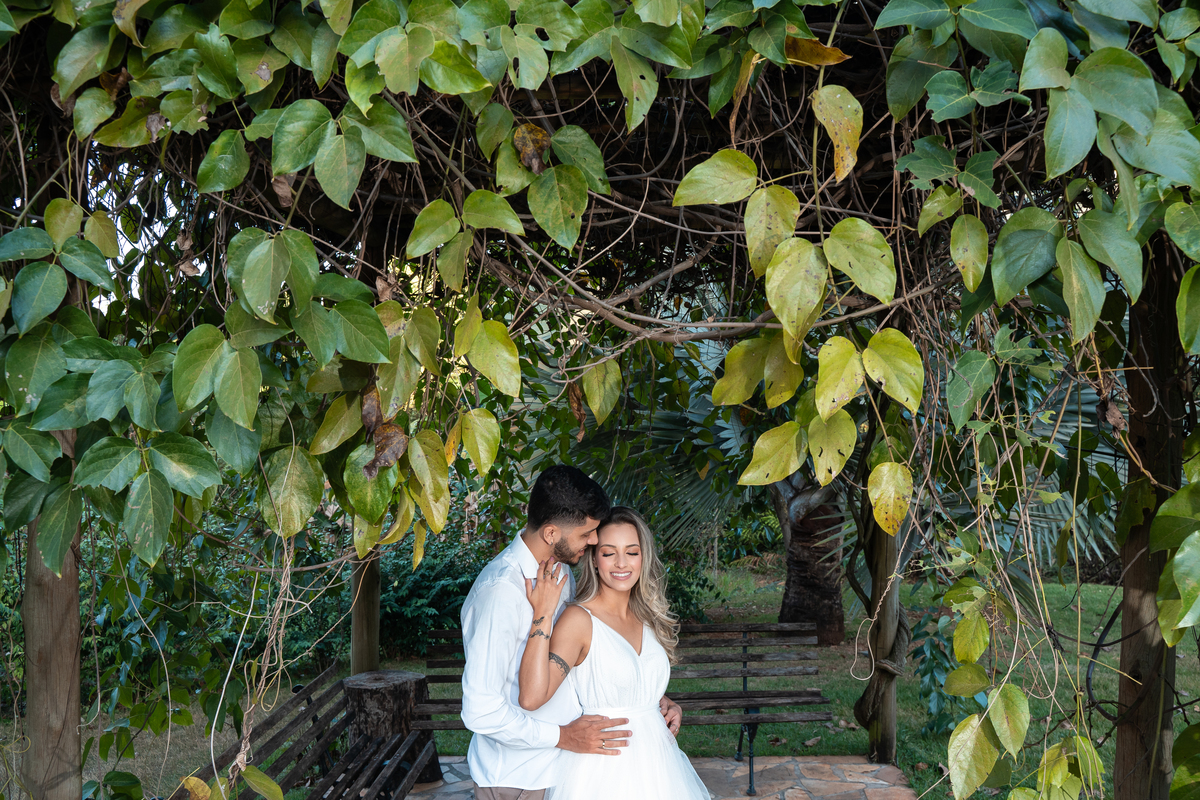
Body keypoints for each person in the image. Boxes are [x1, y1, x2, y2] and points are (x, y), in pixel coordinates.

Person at [460, 467, 682, 800]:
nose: (594, 542)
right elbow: (481, 711)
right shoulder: (500, 594)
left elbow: (583, 657)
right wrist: (562, 736)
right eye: (587, 534)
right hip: (519, 776)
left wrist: (644, 697)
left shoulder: (560, 568)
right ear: (551, 533)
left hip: (567, 766)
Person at [517, 506, 708, 800]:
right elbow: (531, 697)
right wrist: (543, 613)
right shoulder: (579, 620)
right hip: (605, 771)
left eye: (631, 552)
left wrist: (663, 704)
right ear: (594, 559)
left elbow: (635, 682)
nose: (622, 563)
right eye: (609, 553)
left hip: (660, 768)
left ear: (643, 557)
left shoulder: (647, 615)